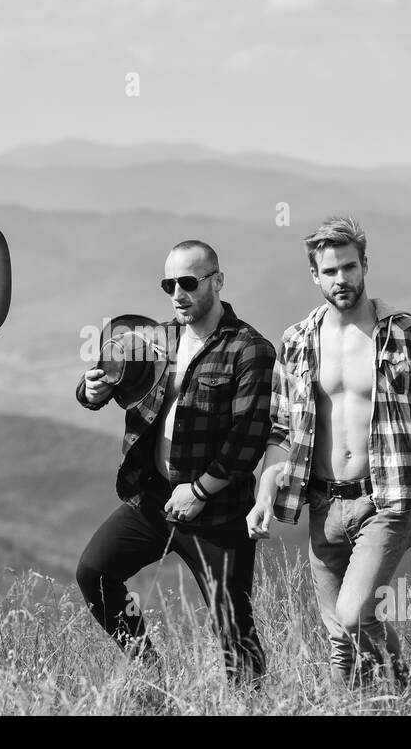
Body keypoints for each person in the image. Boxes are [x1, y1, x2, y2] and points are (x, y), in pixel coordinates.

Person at [248, 215, 411, 689]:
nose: (341, 280)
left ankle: (404, 694)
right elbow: (282, 430)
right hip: (323, 502)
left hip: (385, 499)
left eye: (349, 268)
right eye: (330, 271)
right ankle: (348, 705)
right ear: (314, 276)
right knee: (339, 640)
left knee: (351, 613)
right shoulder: (298, 341)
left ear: (365, 266)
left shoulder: (406, 334)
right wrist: (264, 496)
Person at [74, 240, 275, 689]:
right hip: (152, 500)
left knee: (233, 628)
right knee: (95, 573)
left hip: (218, 513)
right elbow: (110, 384)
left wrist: (201, 490)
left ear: (217, 281)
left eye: (189, 282)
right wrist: (90, 391)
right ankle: (149, 669)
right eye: (170, 284)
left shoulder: (250, 349)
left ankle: (251, 703)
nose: (178, 293)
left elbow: (249, 437)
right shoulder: (154, 340)